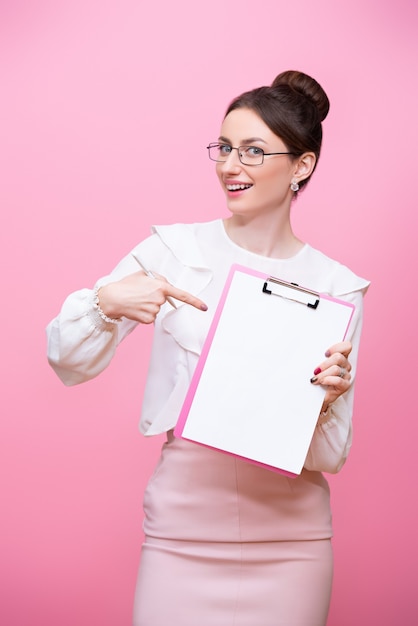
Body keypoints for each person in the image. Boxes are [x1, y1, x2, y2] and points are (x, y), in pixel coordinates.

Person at [46, 70, 370, 625]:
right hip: (181, 535)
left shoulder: (337, 286)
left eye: (251, 151)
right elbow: (67, 362)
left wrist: (323, 402)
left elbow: (329, 457)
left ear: (302, 165)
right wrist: (106, 301)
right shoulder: (172, 250)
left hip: (292, 546)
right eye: (223, 147)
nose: (229, 165)